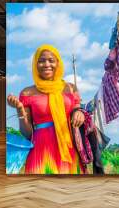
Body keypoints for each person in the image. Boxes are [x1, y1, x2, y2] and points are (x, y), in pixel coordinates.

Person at [7, 45, 86, 174]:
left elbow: (77, 109)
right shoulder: (27, 93)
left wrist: (79, 113)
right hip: (41, 149)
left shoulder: (71, 88)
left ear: (58, 63)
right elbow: (27, 134)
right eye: (41, 60)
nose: (46, 64)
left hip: (69, 148)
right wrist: (20, 109)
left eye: (51, 60)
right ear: (35, 64)